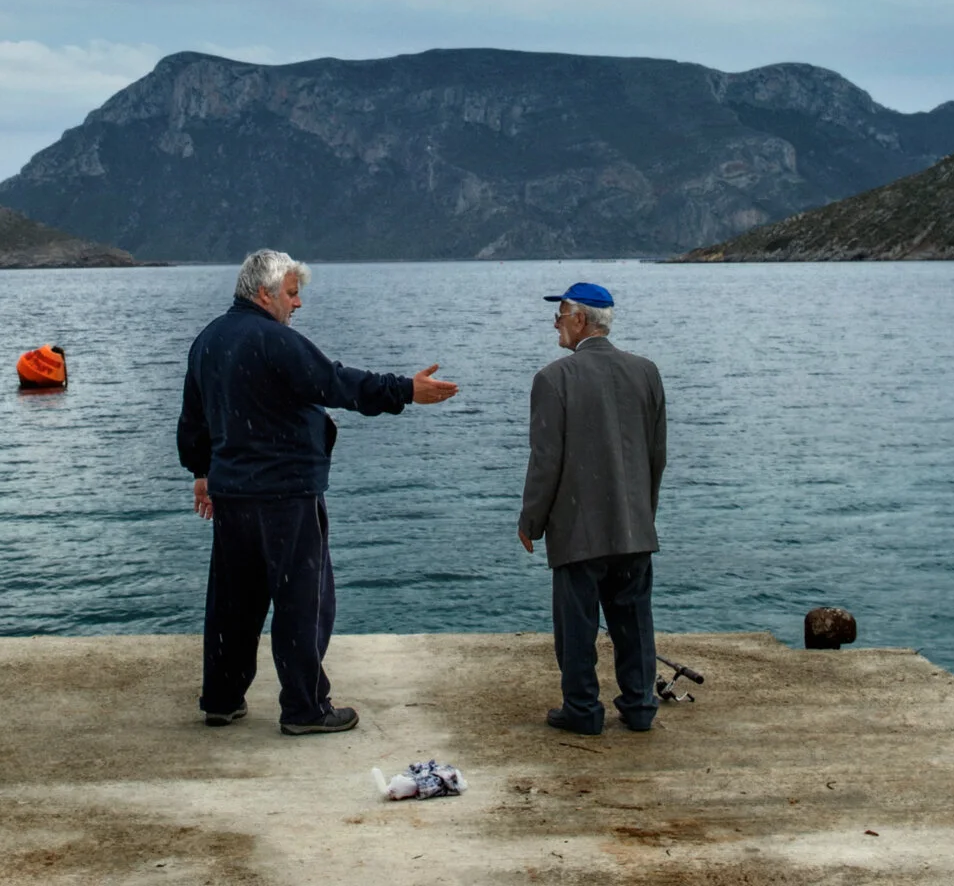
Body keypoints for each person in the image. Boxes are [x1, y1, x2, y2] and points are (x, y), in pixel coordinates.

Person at [178, 249, 458, 735]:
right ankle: (305, 708)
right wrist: (406, 391)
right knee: (303, 602)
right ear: (264, 294)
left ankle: (221, 698)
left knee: (233, 604)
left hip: (233, 496)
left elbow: (193, 420)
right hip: (286, 494)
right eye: (291, 293)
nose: (298, 303)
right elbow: (335, 383)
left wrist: (201, 473)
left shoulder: (208, 340)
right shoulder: (275, 340)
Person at [517, 281, 666, 735]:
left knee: (578, 628)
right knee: (634, 622)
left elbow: (546, 462)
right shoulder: (646, 372)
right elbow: (656, 455)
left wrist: (531, 522)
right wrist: (644, 513)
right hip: (634, 525)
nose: (555, 327)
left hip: (578, 530)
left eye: (559, 317)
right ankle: (640, 706)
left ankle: (582, 710)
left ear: (580, 320)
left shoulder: (553, 379)